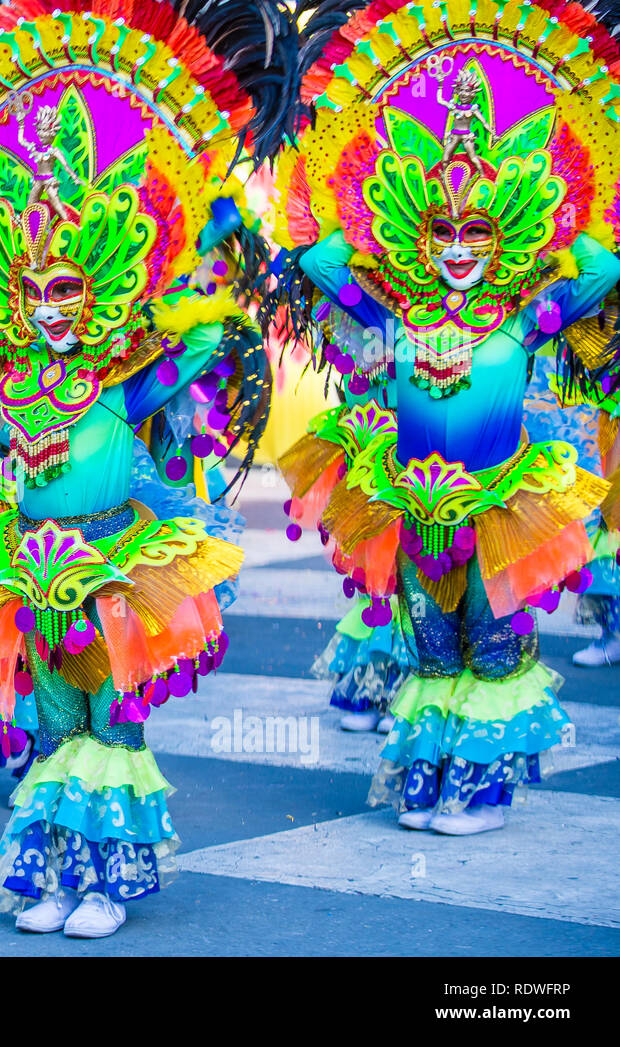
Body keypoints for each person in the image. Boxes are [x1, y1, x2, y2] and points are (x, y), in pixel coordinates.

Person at [0, 0, 285, 938]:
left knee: (113, 728)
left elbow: (204, 337)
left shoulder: (120, 378)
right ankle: (54, 874)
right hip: (31, 570)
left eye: (70, 287)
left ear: (102, 286)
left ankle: (110, 883)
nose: (50, 306)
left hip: (120, 571)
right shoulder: (4, 376)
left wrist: (190, 260)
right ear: (7, 287)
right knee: (53, 733)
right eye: (32, 287)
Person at [273, 0, 620, 835]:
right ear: (415, 236)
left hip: (502, 503)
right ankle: (428, 773)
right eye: (440, 228)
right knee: (430, 647)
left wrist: (573, 204)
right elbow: (321, 258)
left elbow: (604, 266)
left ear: (504, 238)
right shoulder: (395, 313)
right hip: (411, 504)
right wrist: (336, 145)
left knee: (491, 644)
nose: (458, 245)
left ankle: (486, 787)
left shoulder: (526, 313)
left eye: (476, 230)